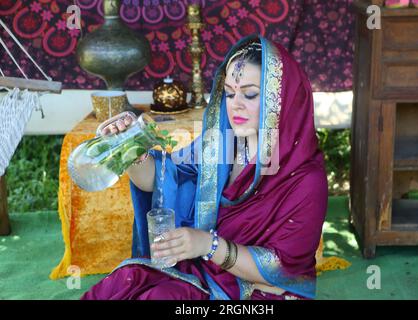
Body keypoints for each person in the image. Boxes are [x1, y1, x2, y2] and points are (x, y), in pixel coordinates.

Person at [81, 34, 328, 300]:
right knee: (121, 285)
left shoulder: (305, 179)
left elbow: (281, 268)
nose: (236, 104)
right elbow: (164, 178)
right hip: (203, 269)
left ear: (282, 100)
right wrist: (131, 150)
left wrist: (208, 245)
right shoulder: (221, 144)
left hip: (258, 290)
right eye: (230, 93)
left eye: (251, 94)